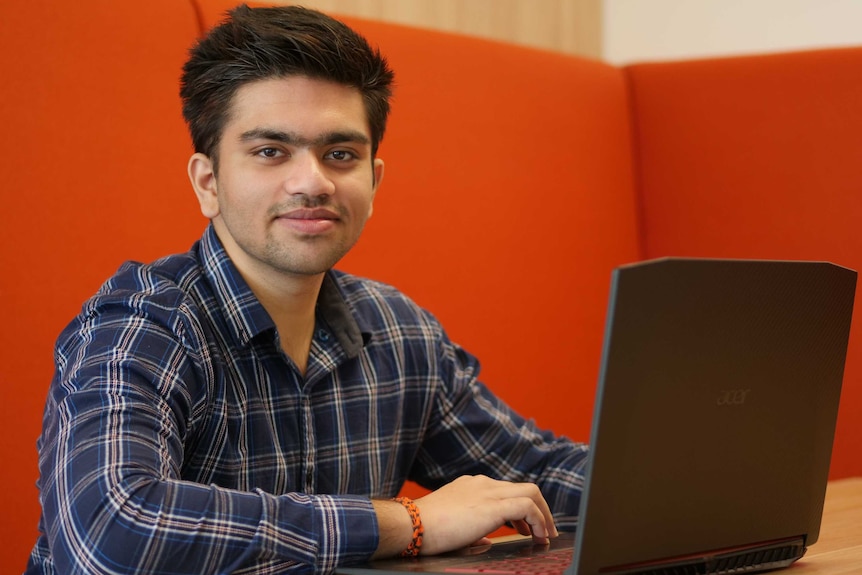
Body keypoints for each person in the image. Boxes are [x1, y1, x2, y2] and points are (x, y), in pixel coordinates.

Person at [26, 4, 589, 573]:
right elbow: (110, 528)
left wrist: (670, 474)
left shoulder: (400, 332)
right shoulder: (143, 325)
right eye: (271, 152)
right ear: (208, 182)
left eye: (340, 154)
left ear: (374, 180)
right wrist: (408, 524)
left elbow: (538, 473)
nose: (312, 181)